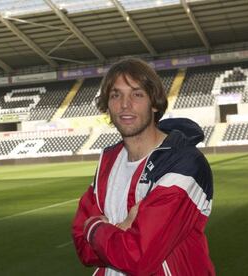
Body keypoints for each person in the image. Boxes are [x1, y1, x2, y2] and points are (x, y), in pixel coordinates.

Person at [71, 58, 215, 276]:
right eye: (115, 95)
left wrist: (95, 228)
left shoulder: (185, 163)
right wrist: (121, 229)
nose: (124, 104)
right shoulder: (108, 163)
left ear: (154, 103)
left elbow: (138, 257)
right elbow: (83, 247)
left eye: (136, 94)